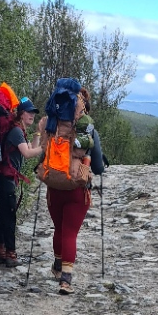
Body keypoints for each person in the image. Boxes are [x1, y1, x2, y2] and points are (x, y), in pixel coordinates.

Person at [37, 90, 104, 294]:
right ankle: (66, 280)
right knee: (70, 233)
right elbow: (98, 167)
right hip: (77, 189)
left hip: (54, 189)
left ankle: (58, 266)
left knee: (59, 228)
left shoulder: (52, 127)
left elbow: (42, 157)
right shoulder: (89, 131)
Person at [0, 98, 42, 270]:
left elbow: (30, 147)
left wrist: (38, 133)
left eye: (33, 113)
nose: (32, 115)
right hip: (6, 180)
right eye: (29, 112)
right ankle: (10, 254)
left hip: (4, 178)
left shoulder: (18, 131)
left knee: (3, 215)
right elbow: (27, 154)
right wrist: (47, 147)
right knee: (9, 217)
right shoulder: (16, 131)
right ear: (21, 114)